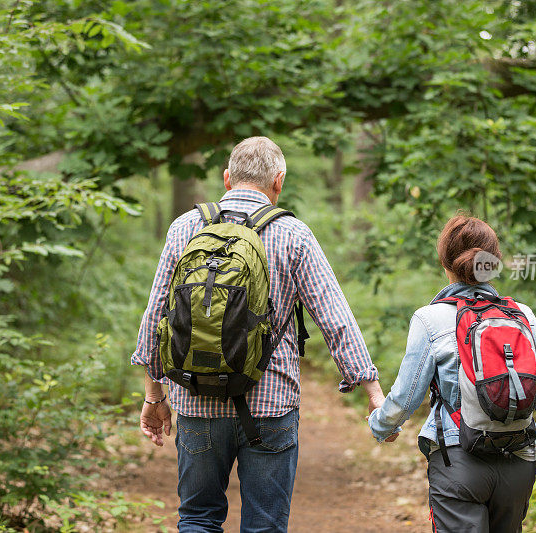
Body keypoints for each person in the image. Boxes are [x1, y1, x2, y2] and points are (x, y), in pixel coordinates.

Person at [131, 136, 386, 533]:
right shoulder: (294, 234)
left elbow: (156, 318)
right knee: (264, 526)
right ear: (278, 182)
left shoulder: (185, 227)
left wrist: (153, 397)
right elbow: (335, 317)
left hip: (197, 400)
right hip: (271, 406)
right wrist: (371, 390)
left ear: (227, 177)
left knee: (198, 519)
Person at [368, 214, 536, 533]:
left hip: (458, 463)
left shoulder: (430, 319)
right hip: (519, 462)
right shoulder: (523, 316)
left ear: (444, 261)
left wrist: (381, 426)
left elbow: (405, 398)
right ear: (494, 262)